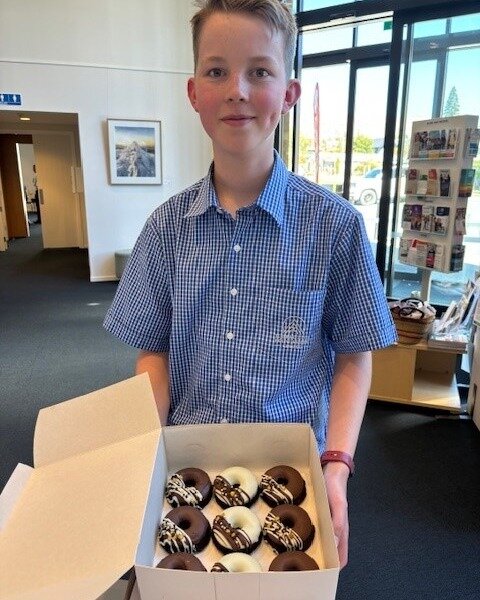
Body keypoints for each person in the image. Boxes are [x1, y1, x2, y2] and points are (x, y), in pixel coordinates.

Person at [104, 0, 397, 568]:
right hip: (189, 470)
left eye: (259, 71)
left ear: (289, 93)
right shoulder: (164, 231)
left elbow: (353, 357)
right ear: (194, 94)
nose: (237, 89)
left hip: (292, 473)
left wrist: (336, 466)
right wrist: (146, 453)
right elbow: (153, 353)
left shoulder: (335, 227)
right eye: (217, 71)